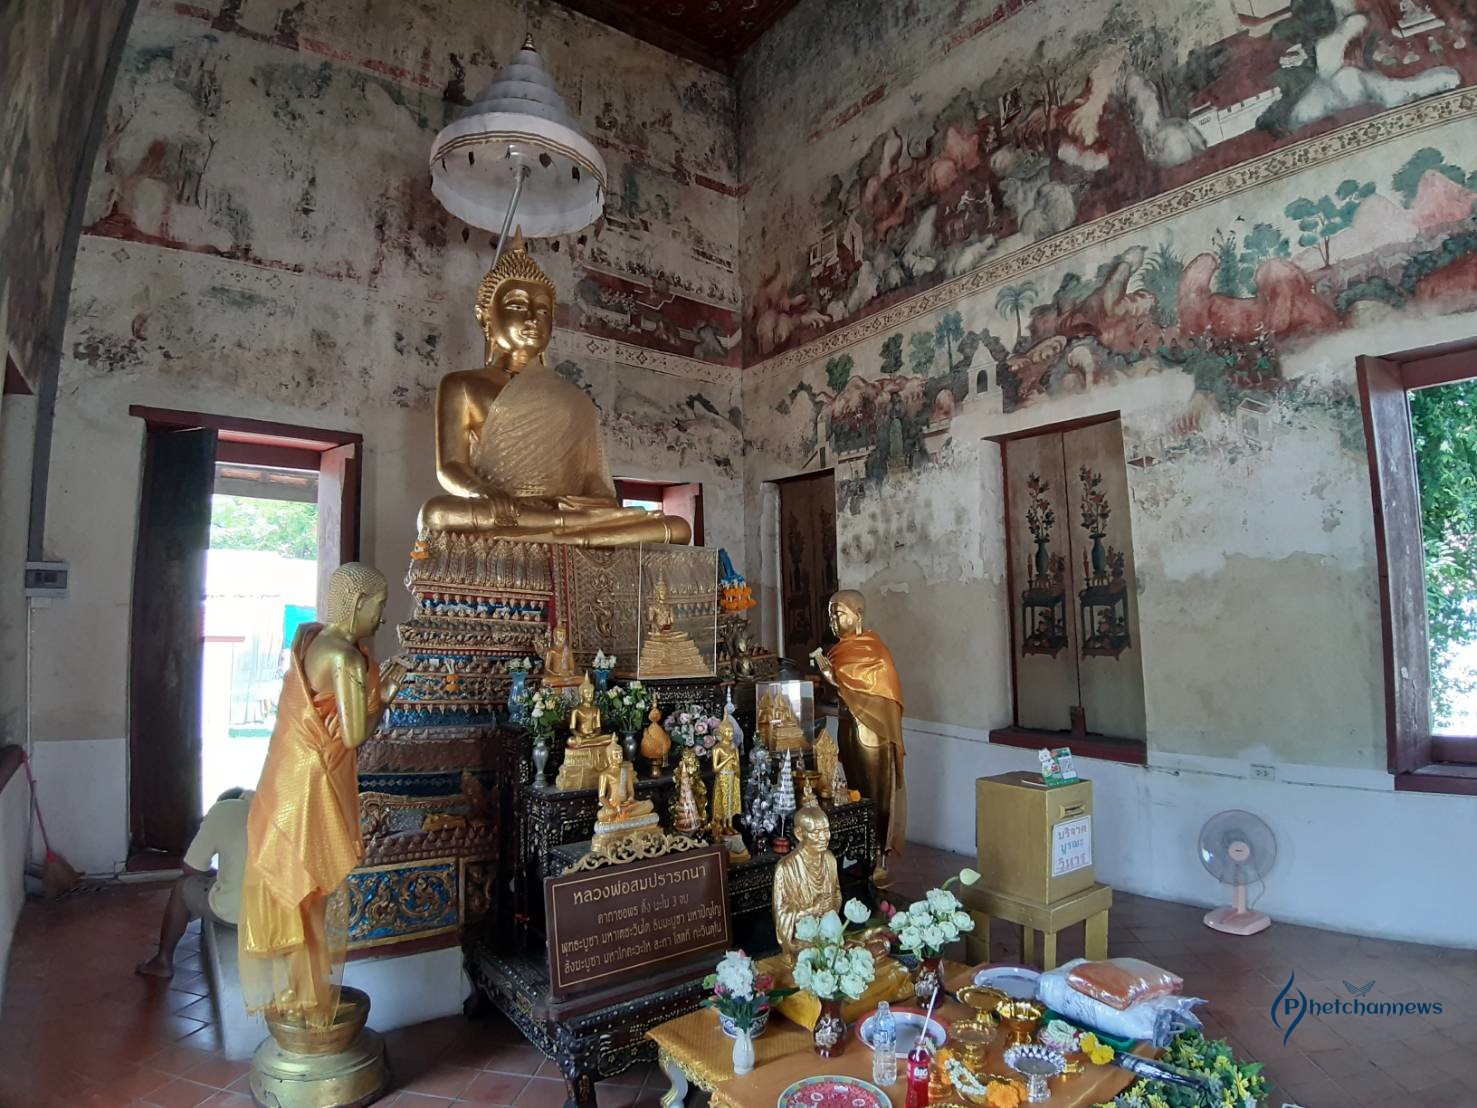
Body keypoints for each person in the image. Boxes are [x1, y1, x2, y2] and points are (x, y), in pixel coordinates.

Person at [136, 787, 254, 979]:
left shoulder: (223, 810)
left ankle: (162, 962)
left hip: (240, 916)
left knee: (183, 887)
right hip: (282, 919)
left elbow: (191, 868)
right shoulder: (279, 810)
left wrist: (216, 876)